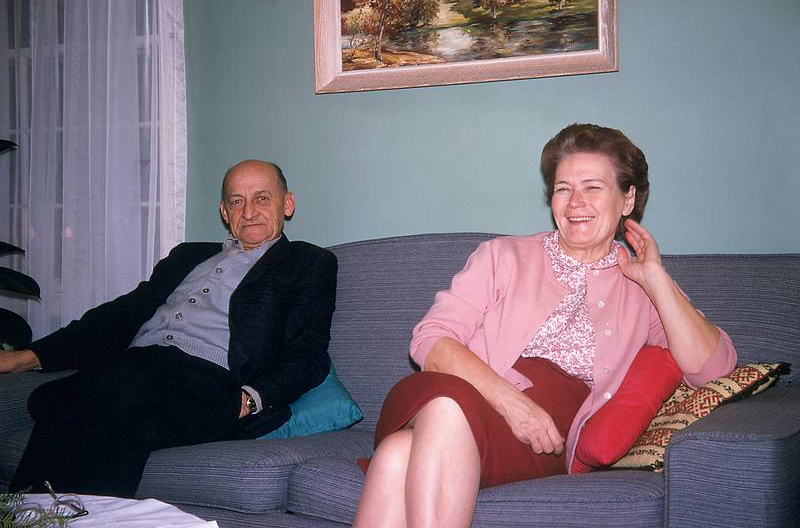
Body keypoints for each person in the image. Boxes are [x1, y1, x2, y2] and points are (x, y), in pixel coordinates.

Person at [353, 124, 737, 527]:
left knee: (398, 454)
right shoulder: (502, 256)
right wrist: (512, 403)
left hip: (545, 439)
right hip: (460, 396)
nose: (575, 203)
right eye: (562, 188)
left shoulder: (641, 286)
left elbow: (712, 368)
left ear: (628, 199)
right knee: (446, 407)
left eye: (592, 187)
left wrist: (656, 279)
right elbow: (430, 339)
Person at [0, 160, 338, 498]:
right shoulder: (186, 255)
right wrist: (27, 357)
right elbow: (118, 316)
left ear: (287, 204)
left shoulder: (307, 263)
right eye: (237, 201)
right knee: (71, 400)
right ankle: (30, 516)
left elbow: (308, 355)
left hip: (210, 382)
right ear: (224, 211)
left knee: (90, 398)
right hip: (135, 371)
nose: (248, 212)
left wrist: (249, 399)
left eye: (262, 198)